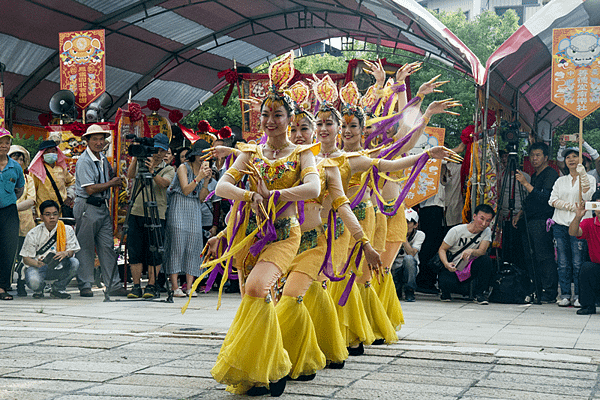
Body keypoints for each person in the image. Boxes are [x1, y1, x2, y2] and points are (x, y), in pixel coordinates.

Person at [74, 124, 127, 297]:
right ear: (87, 141)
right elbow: (89, 189)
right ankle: (85, 283)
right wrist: (112, 183)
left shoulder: (103, 158)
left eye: (101, 139)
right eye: (95, 139)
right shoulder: (84, 161)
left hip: (102, 206)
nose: (99, 142)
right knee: (86, 247)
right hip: (87, 206)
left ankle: (113, 284)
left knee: (107, 246)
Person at [125, 133, 175, 299]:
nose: (158, 153)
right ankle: (136, 285)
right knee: (135, 249)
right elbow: (130, 175)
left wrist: (153, 171)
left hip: (156, 213)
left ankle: (152, 285)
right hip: (136, 211)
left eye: (161, 150)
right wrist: (136, 157)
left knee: (154, 250)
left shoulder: (168, 168)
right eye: (156, 149)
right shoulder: (142, 162)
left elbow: (164, 184)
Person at [163, 140, 213, 297]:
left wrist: (206, 181)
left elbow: (202, 198)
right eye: (201, 154)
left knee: (194, 246)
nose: (203, 158)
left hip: (194, 208)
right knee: (177, 244)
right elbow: (185, 189)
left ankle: (190, 286)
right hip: (179, 206)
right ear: (195, 154)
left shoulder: (204, 171)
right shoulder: (183, 168)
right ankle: (175, 285)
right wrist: (199, 177)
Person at [513, 142, 559, 303]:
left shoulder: (550, 174)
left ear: (546, 157)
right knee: (531, 256)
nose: (534, 159)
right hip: (530, 219)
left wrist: (525, 184)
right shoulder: (535, 175)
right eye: (532, 155)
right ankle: (537, 288)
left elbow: (545, 198)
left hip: (542, 220)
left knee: (544, 256)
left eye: (538, 155)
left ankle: (549, 291)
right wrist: (520, 212)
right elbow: (531, 199)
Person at [549, 147, 596, 307]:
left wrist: (582, 174)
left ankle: (579, 295)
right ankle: (565, 294)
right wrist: (571, 207)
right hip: (560, 223)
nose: (571, 159)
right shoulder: (560, 180)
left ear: (581, 160)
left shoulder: (589, 179)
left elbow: (587, 197)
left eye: (575, 156)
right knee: (562, 261)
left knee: (578, 262)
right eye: (568, 157)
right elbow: (552, 200)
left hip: (580, 224)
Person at [20, 200, 80, 299]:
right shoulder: (33, 233)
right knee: (34, 281)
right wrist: (37, 263)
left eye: (55, 214)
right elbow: (26, 258)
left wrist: (65, 253)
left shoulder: (67, 229)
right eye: (48, 214)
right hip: (39, 267)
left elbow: (72, 250)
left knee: (75, 262)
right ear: (42, 216)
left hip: (59, 265)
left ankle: (58, 289)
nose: (52, 217)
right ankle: (39, 289)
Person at [438, 204, 495, 304]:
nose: (484, 223)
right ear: (474, 216)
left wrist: (472, 251)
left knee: (486, 260)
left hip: (469, 267)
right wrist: (446, 264)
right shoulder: (457, 230)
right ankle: (445, 291)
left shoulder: (486, 231)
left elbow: (482, 251)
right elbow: (442, 249)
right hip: (453, 267)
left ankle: (480, 294)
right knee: (445, 281)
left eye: (488, 221)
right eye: (481, 219)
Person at [0, 128, 25, 300]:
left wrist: (7, 200)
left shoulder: (15, 166)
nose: (3, 146)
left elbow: (19, 190)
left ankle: (3, 286)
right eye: (0, 142)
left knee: (8, 248)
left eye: (7, 143)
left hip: (8, 212)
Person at [8, 145, 36, 297]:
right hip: (7, 224)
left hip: (25, 224)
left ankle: (21, 283)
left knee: (24, 256)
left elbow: (32, 200)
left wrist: (11, 208)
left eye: (21, 158)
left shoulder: (28, 179)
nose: (18, 161)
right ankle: (5, 284)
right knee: (8, 255)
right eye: (15, 157)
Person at [569, 192, 600, 315]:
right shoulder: (589, 223)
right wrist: (578, 217)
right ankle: (587, 305)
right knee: (586, 268)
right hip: (596, 267)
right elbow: (572, 232)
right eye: (597, 206)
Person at [28, 140, 75, 217]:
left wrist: (69, 196)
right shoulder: (36, 171)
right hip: (43, 213)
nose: (51, 153)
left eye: (53, 150)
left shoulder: (61, 168)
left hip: (61, 212)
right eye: (47, 151)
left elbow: (72, 182)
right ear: (42, 154)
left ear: (57, 152)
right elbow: (32, 192)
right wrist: (33, 212)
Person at [391, 208, 425, 302]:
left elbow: (411, 253)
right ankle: (395, 288)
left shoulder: (420, 235)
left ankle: (409, 290)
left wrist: (403, 238)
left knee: (409, 259)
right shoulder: (393, 232)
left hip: (410, 268)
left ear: (415, 225)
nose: (405, 225)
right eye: (403, 222)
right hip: (394, 267)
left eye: (408, 222)